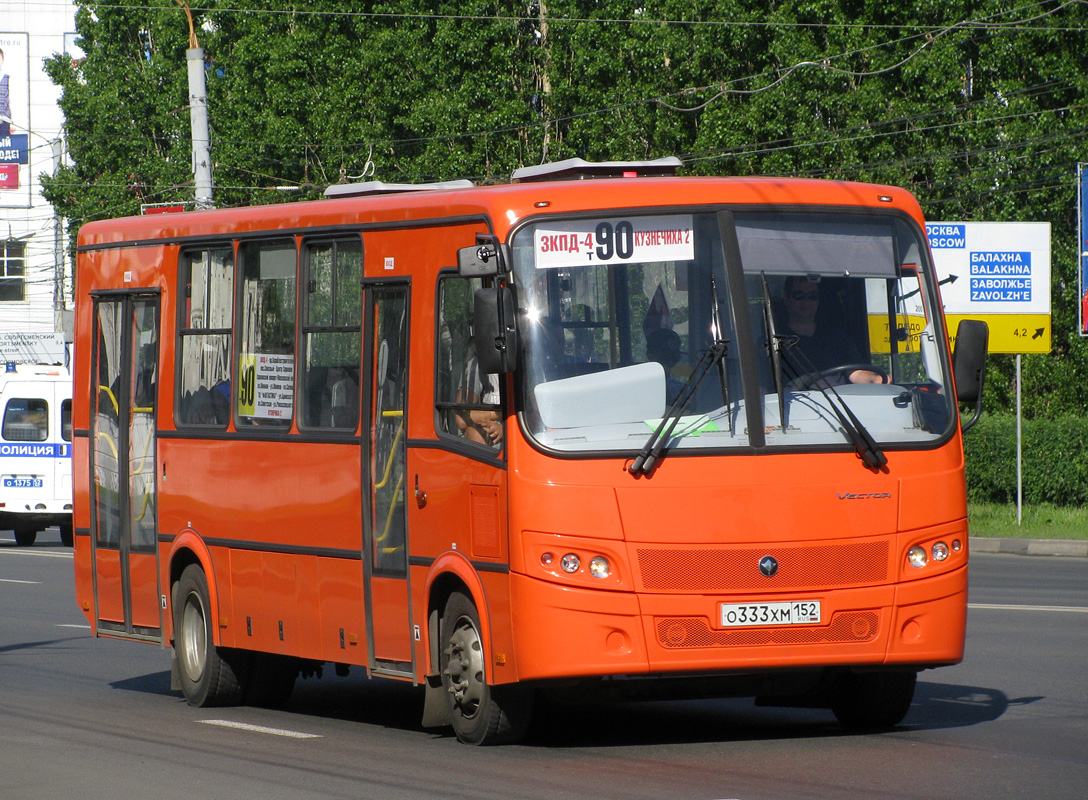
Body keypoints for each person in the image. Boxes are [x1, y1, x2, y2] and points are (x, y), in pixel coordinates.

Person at [778, 276, 886, 385]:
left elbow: (856, 373)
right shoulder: (775, 343)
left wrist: (874, 379)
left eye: (813, 296)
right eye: (799, 295)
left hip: (838, 400)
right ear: (786, 298)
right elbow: (764, 388)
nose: (806, 301)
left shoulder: (837, 338)